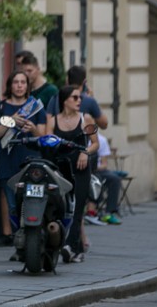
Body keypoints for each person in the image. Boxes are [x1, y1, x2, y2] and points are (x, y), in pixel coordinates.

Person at [0, 71, 47, 245]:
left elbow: (43, 136)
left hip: (31, 159)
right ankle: (12, 235)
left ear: (27, 86)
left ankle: (32, 234)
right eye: (16, 82)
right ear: (10, 85)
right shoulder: (0, 107)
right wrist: (10, 121)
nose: (20, 85)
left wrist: (33, 129)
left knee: (31, 199)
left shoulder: (35, 106)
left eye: (23, 82)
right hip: (8, 159)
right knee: (10, 200)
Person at [48, 86, 99, 264]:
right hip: (61, 168)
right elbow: (47, 143)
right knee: (61, 207)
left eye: (80, 98)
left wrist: (85, 152)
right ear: (64, 101)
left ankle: (71, 246)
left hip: (80, 167)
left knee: (78, 208)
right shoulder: (52, 121)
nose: (79, 100)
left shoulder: (86, 119)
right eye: (75, 97)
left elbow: (95, 143)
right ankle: (70, 247)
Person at [47, 65, 108, 130]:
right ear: (84, 82)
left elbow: (48, 122)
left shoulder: (55, 98)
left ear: (67, 81)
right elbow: (104, 124)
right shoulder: (89, 101)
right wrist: (93, 100)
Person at [92, 133, 123, 225]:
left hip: (97, 169)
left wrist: (95, 168)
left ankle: (109, 212)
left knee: (115, 179)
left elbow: (104, 164)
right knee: (95, 180)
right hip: (81, 169)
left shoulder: (101, 140)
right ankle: (91, 211)